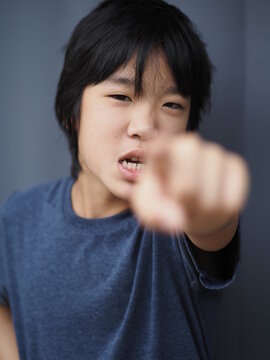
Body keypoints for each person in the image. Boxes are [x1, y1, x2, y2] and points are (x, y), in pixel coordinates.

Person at [0, 0, 249, 359]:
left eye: (172, 106)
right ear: (71, 112)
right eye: (121, 96)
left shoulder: (176, 223)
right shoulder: (19, 218)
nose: (145, 127)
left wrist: (210, 204)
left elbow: (212, 222)